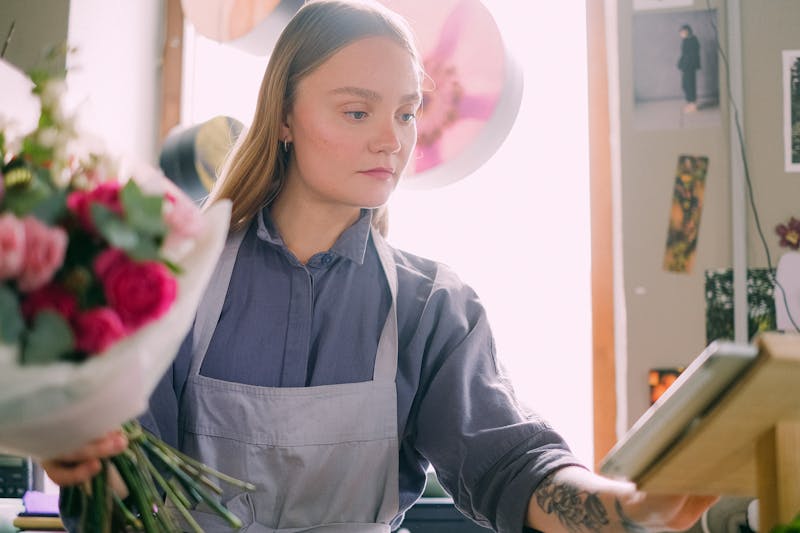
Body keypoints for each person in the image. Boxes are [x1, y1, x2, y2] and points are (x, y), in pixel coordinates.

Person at [42, 1, 718, 531]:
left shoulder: (433, 309)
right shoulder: (172, 280)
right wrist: (84, 460)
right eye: (358, 110)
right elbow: (123, 493)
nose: (391, 139)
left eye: (406, 112)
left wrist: (633, 508)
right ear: (283, 116)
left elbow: (516, 467)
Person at [677, 24, 701, 113]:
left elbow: (692, 55)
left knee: (690, 85)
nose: (681, 34)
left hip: (690, 66)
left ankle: (693, 105)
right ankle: (690, 103)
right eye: (680, 32)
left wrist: (686, 63)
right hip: (686, 66)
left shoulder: (693, 40)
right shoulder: (686, 40)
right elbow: (684, 54)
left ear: (687, 31)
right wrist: (681, 63)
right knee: (685, 85)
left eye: (682, 32)